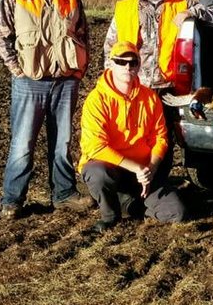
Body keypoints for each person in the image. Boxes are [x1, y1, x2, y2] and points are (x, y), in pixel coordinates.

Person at [0, 0, 92, 220]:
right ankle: (12, 200)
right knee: (22, 143)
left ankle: (63, 193)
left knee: (62, 142)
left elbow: (83, 31)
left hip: (65, 80)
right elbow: (2, 34)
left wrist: (79, 70)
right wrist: (16, 68)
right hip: (29, 81)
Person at [79, 41, 186, 233]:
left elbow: (160, 137)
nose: (127, 66)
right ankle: (110, 216)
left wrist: (151, 169)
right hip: (114, 169)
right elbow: (95, 147)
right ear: (111, 64)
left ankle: (131, 204)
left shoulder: (150, 98)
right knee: (97, 172)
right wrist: (136, 168)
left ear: (139, 65)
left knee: (176, 213)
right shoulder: (96, 100)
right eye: (121, 62)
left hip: (143, 172)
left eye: (133, 62)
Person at [103, 0, 200, 94]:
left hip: (169, 87)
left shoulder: (181, 3)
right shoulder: (125, 8)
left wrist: (189, 13)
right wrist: (115, 83)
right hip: (134, 85)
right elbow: (109, 50)